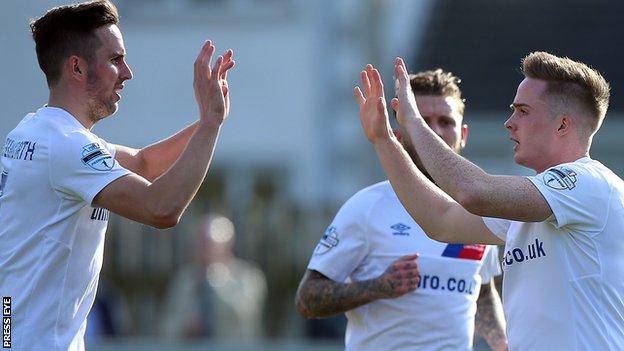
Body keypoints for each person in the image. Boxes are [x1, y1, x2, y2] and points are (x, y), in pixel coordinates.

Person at [0, 1, 234, 349]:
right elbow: (161, 208)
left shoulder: (35, 131)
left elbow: (142, 164)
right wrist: (210, 126)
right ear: (76, 68)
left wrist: (208, 121)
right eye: (115, 59)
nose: (127, 72)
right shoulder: (65, 146)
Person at [355, 53, 624, 350]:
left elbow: (474, 192)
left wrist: (414, 121)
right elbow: (441, 221)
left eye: (523, 111)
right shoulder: (540, 199)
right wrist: (384, 140)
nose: (509, 123)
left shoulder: (587, 183)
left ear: (562, 125)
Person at [296, 69, 507, 351]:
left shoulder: (477, 209)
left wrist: (501, 342)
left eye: (446, 122)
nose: (435, 132)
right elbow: (307, 298)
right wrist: (378, 286)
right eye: (421, 122)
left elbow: (481, 291)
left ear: (463, 133)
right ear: (398, 134)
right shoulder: (367, 206)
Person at [160, 214, 267, 339]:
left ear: (227, 246)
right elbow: (166, 326)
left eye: (208, 244)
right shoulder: (184, 280)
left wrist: (215, 280)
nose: (203, 249)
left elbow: (244, 314)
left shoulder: (248, 276)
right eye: (200, 243)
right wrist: (184, 328)